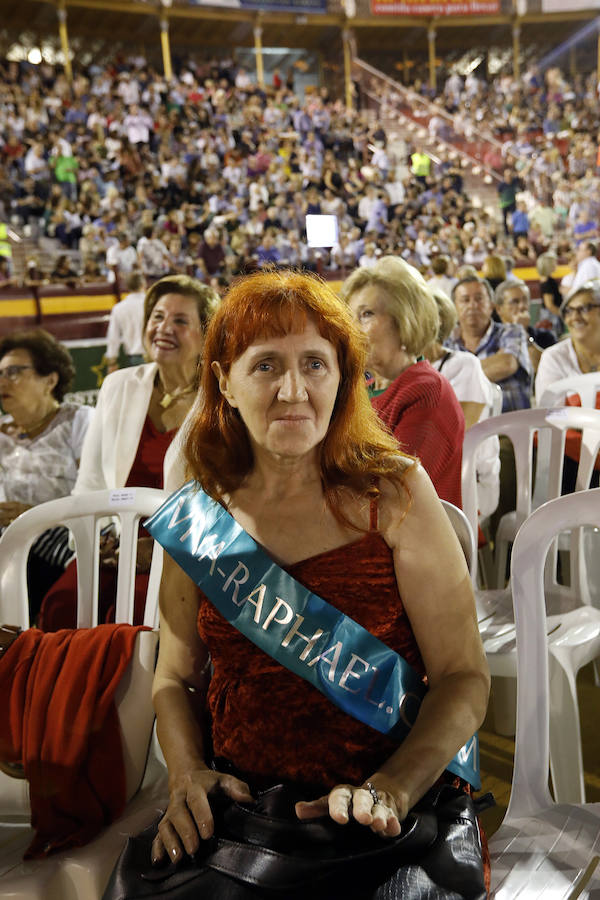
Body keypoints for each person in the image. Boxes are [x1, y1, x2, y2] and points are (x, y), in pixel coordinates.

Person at [149, 270, 490, 889]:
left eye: (314, 363)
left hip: (390, 819)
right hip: (242, 821)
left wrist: (393, 787)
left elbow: (464, 678)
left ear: (343, 378)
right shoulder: (201, 510)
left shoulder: (395, 492)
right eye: (265, 366)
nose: (293, 390)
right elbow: (173, 677)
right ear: (223, 381)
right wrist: (185, 773)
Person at [38, 275, 219, 630]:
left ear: (207, 335)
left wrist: (158, 551)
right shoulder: (118, 384)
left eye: (180, 321)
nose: (163, 328)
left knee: (135, 613)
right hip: (113, 542)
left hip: (184, 552)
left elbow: (224, 502)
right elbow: (89, 483)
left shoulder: (220, 399)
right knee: (62, 605)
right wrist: (100, 539)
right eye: (157, 317)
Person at [340, 257, 465, 508]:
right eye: (349, 318)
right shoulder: (364, 387)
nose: (352, 330)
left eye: (366, 314)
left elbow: (396, 494)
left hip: (415, 539)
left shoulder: (426, 390)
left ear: (404, 320)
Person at [0, 329, 93, 619]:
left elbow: (97, 493)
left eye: (14, 371)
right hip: (14, 543)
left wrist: (34, 514)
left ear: (50, 380)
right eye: (1, 372)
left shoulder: (79, 421)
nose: (3, 380)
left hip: (68, 541)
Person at [425, 290, 500, 519]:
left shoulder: (464, 365)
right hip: (423, 480)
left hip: (467, 484)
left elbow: (454, 439)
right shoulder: (391, 372)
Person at [536, 279, 600, 493]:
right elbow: (552, 417)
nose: (575, 317)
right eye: (569, 311)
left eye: (584, 308)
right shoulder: (554, 357)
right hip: (572, 453)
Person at [447, 275, 532, 413]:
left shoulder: (511, 331)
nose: (472, 305)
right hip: (467, 430)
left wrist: (455, 377)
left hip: (512, 429)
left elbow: (506, 364)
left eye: (479, 299)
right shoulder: (448, 342)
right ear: (454, 307)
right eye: (465, 300)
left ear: (491, 305)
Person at [494, 278, 556, 374]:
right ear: (499, 309)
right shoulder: (491, 340)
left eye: (525, 300)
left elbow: (547, 370)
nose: (522, 306)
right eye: (515, 302)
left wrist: (523, 333)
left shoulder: (545, 337)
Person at [104, 271, 147, 372]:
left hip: (134, 358)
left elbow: (113, 336)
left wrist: (112, 361)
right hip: (154, 356)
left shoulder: (119, 308)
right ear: (143, 284)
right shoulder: (152, 303)